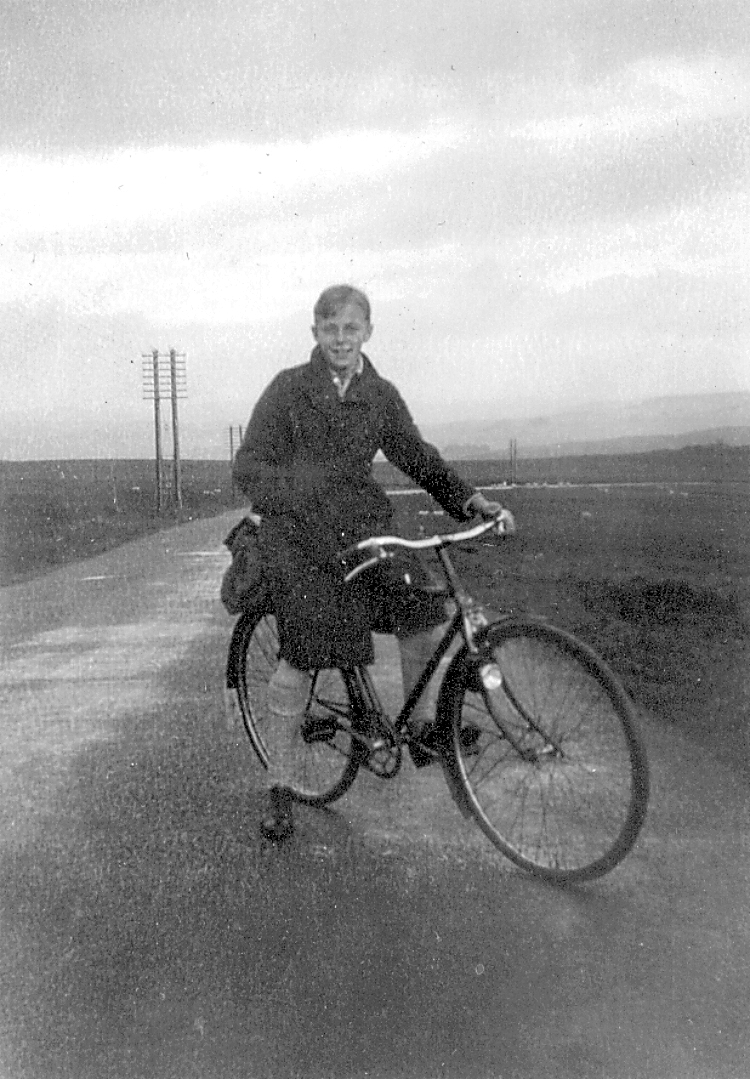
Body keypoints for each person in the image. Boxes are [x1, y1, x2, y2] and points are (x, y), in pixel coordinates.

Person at [233, 285, 515, 840]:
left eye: (351, 328)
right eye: (330, 328)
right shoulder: (288, 390)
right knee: (305, 653)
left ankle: (423, 728)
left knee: (422, 608)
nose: (341, 339)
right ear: (315, 332)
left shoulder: (379, 395)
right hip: (300, 538)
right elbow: (249, 468)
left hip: (362, 530)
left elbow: (418, 457)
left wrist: (470, 501)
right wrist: (299, 496)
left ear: (367, 332)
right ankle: (280, 785)